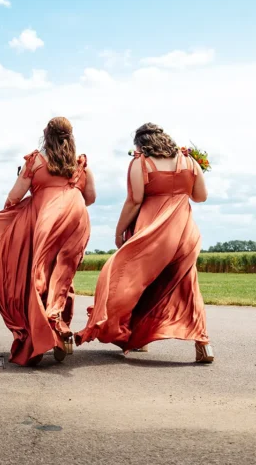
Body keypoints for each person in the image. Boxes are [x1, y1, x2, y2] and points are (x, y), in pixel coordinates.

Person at [0, 117, 96, 366]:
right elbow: (91, 197)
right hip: (76, 216)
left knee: (36, 276)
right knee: (63, 274)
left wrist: (7, 217)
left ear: (46, 136)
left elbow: (15, 194)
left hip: (44, 217)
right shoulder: (80, 163)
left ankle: (37, 340)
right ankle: (60, 328)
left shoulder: (36, 161)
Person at [75, 123, 214, 363]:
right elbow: (200, 196)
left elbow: (134, 200)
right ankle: (204, 344)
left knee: (122, 278)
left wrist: (119, 232)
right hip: (185, 233)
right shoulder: (189, 162)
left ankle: (114, 328)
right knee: (188, 286)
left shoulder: (141, 163)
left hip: (154, 233)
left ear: (141, 144)